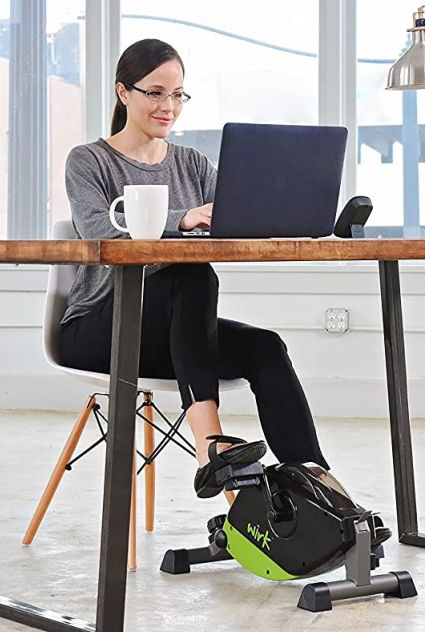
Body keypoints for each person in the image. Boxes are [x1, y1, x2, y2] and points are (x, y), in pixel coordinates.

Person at [60, 38, 330, 479]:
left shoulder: (192, 164)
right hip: (99, 329)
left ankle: (315, 484)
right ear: (123, 92)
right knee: (191, 274)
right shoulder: (90, 161)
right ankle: (210, 447)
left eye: (178, 94)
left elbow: (240, 217)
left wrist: (305, 212)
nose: (169, 105)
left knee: (265, 346)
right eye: (155, 92)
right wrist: (183, 218)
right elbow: (98, 231)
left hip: (174, 338)